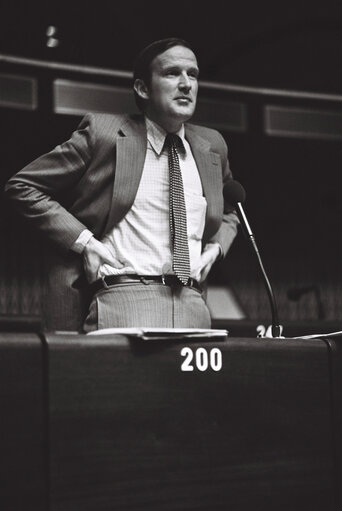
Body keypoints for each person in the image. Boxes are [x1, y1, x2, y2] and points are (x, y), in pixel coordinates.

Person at [5, 37, 239, 332]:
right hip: (124, 296)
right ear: (142, 88)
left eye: (192, 74)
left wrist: (215, 249)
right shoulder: (104, 135)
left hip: (193, 302)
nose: (186, 84)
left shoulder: (212, 146)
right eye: (172, 73)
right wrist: (85, 242)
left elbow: (232, 210)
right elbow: (23, 187)